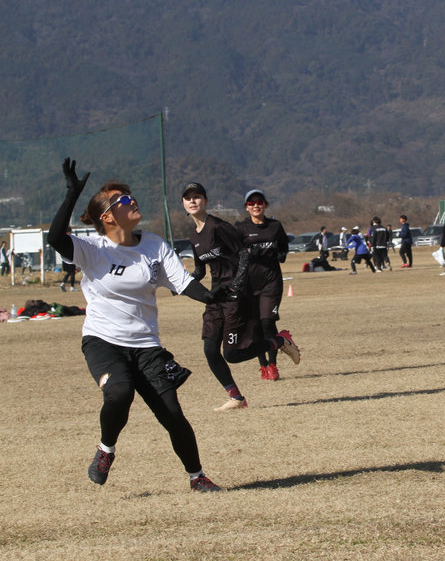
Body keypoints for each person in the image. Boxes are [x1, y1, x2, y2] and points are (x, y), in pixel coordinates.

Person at [47, 158, 224, 491]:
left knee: (172, 414)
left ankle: (197, 478)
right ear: (107, 216)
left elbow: (183, 282)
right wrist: (72, 194)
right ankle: (106, 449)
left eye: (130, 196)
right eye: (123, 200)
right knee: (119, 392)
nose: (133, 201)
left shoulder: (154, 245)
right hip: (103, 341)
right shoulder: (94, 249)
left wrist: (212, 297)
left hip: (146, 345)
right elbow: (55, 238)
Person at [182, 182, 301, 410]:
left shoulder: (219, 226)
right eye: (188, 198)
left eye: (197, 197)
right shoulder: (193, 235)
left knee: (232, 355)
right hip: (216, 297)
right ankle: (236, 398)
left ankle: (280, 341)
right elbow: (199, 270)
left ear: (205, 201)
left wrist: (236, 285)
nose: (193, 201)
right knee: (209, 350)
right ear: (183, 204)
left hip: (236, 297)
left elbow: (244, 254)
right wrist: (179, 282)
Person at [236, 189, 294, 381]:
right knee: (255, 327)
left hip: (271, 282)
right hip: (249, 284)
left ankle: (273, 365)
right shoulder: (241, 228)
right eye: (251, 203)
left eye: (259, 202)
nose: (255, 205)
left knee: (267, 322)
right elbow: (234, 252)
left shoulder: (275, 226)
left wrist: (279, 253)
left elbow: (284, 248)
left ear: (265, 205)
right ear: (246, 207)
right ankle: (263, 365)